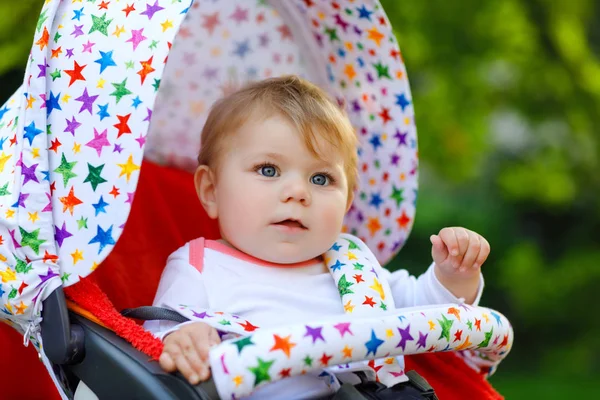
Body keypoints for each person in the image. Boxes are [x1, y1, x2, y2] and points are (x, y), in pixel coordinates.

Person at [144, 76, 490, 399]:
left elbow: (427, 310)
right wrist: (182, 337)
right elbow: (153, 338)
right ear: (211, 190)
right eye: (268, 170)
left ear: (347, 202)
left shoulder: (352, 264)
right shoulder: (200, 266)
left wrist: (454, 274)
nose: (297, 192)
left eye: (321, 179)